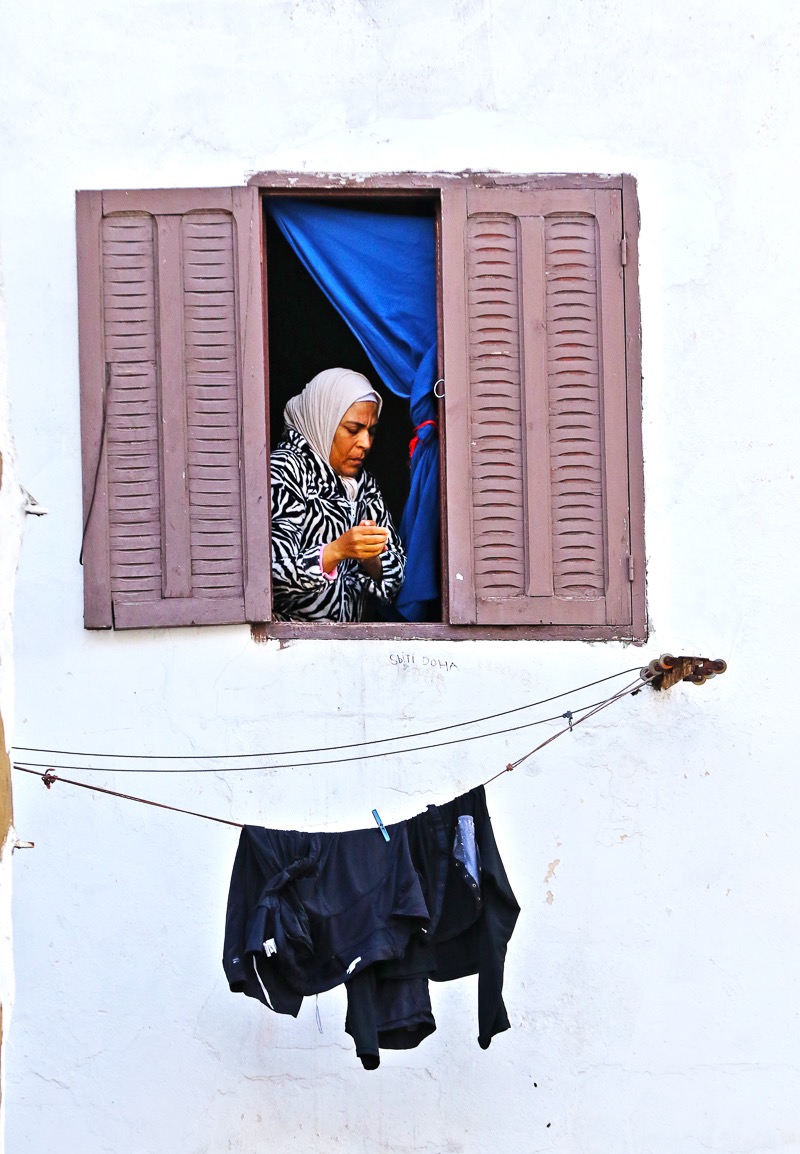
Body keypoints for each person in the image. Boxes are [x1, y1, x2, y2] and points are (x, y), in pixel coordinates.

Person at [270, 368, 406, 622]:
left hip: (347, 649)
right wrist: (335, 552)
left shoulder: (363, 486)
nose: (366, 443)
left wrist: (373, 561)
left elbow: (398, 576)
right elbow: (269, 579)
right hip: (288, 648)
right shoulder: (284, 472)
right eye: (353, 429)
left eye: (372, 431)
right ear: (324, 421)